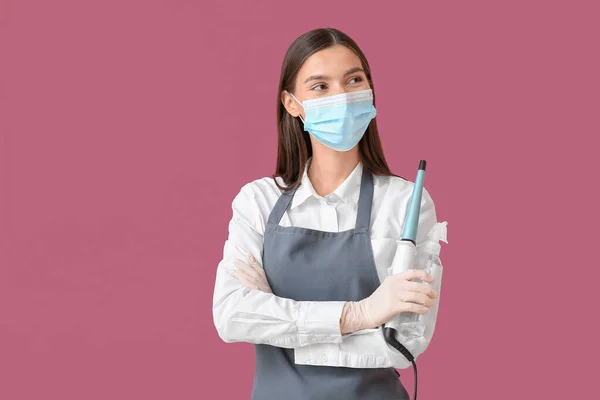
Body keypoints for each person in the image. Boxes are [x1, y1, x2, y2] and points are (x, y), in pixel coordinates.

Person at [212, 27, 442, 400]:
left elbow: (403, 343)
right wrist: (362, 315)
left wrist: (280, 332)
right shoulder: (257, 201)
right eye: (320, 87)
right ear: (292, 103)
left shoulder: (406, 202)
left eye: (353, 80)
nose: (342, 97)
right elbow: (230, 316)